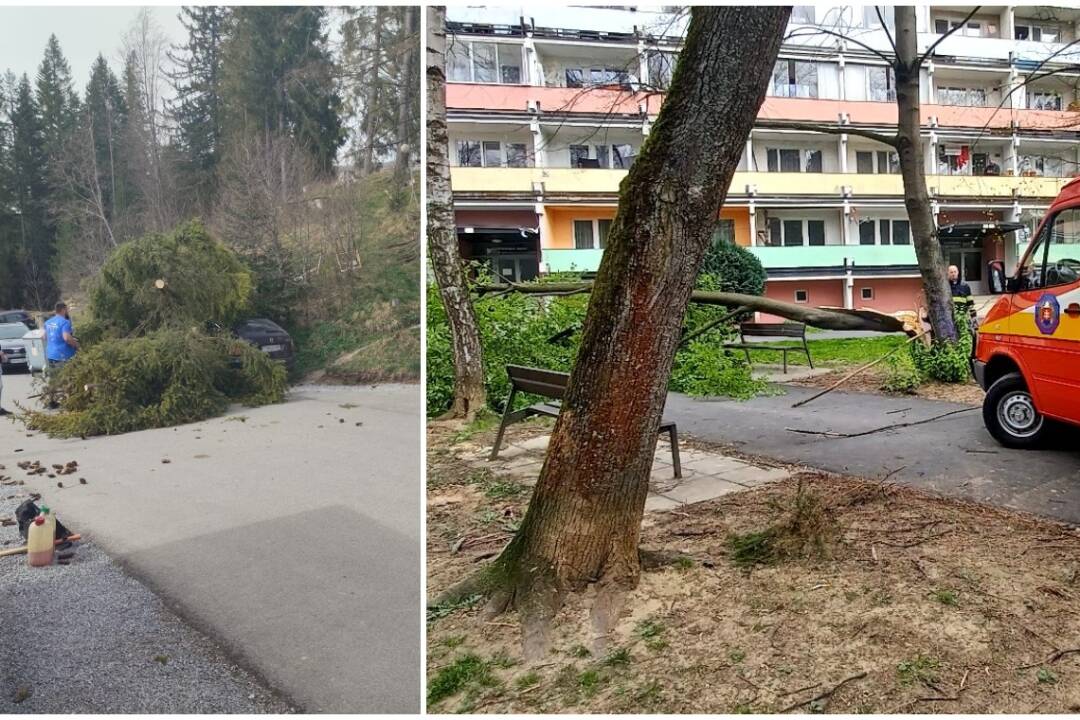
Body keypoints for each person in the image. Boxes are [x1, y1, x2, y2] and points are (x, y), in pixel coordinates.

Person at [44, 301, 79, 369]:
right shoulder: (65, 322)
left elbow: (44, 337)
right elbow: (66, 338)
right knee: (66, 378)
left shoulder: (47, 322)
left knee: (55, 377)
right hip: (62, 355)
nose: (67, 311)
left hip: (50, 355)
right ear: (63, 310)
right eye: (67, 310)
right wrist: (76, 345)